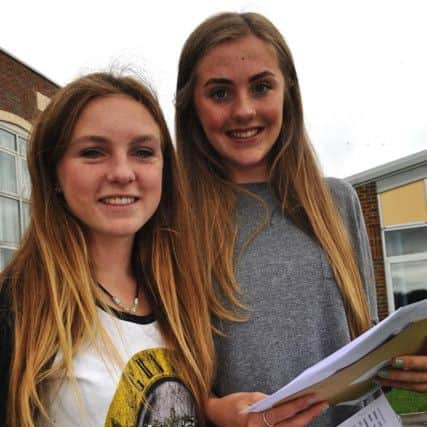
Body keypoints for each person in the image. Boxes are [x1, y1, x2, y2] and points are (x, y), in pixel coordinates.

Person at [175, 11, 427, 427]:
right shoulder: (175, 221)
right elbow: (166, 370)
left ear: (287, 93)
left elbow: (362, 340)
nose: (244, 110)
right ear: (191, 106)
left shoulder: (337, 202)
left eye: (261, 87)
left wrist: (408, 359)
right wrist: (211, 408)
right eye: (220, 93)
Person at [0, 72, 214, 427]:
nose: (122, 172)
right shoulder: (19, 307)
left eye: (143, 152)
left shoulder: (181, 294)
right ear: (53, 173)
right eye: (93, 152)